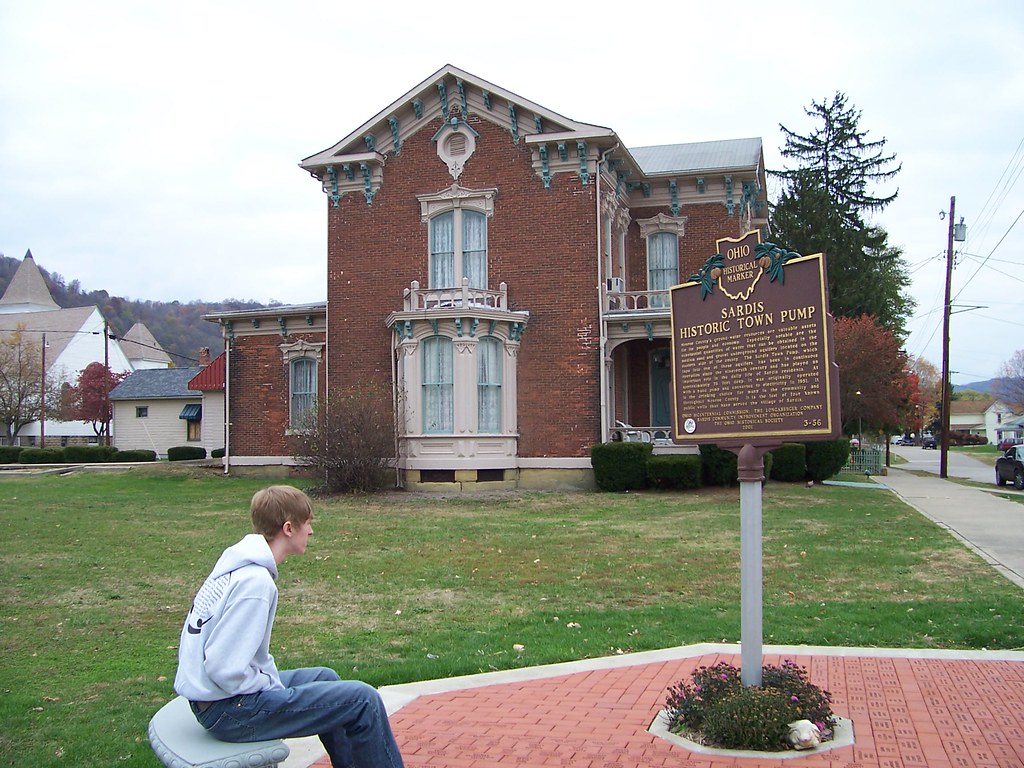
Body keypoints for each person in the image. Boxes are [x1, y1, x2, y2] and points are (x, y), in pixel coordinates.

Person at [174, 485, 405, 768]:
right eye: (307, 523)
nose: (311, 531)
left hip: (216, 702)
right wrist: (268, 686)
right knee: (363, 700)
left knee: (326, 677)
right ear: (288, 528)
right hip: (230, 713)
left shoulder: (238, 566)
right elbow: (223, 668)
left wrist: (267, 681)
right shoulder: (254, 583)